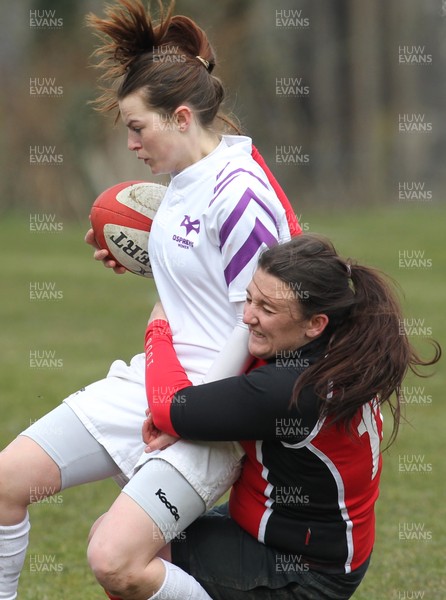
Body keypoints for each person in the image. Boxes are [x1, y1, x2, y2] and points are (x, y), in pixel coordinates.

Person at [0, 1, 300, 599]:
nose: (131, 143)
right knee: (7, 481)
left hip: (211, 411)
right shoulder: (182, 184)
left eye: (138, 128)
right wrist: (145, 261)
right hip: (152, 386)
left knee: (118, 564)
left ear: (182, 116)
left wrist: (187, 414)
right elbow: (204, 287)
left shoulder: (240, 194)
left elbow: (257, 321)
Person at [142, 233, 441, 600]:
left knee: (127, 555)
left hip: (305, 572)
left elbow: (168, 406)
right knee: (129, 536)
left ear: (315, 323)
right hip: (314, 547)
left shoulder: (293, 389)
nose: (247, 316)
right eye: (249, 297)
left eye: (267, 309)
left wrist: (158, 328)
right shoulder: (337, 343)